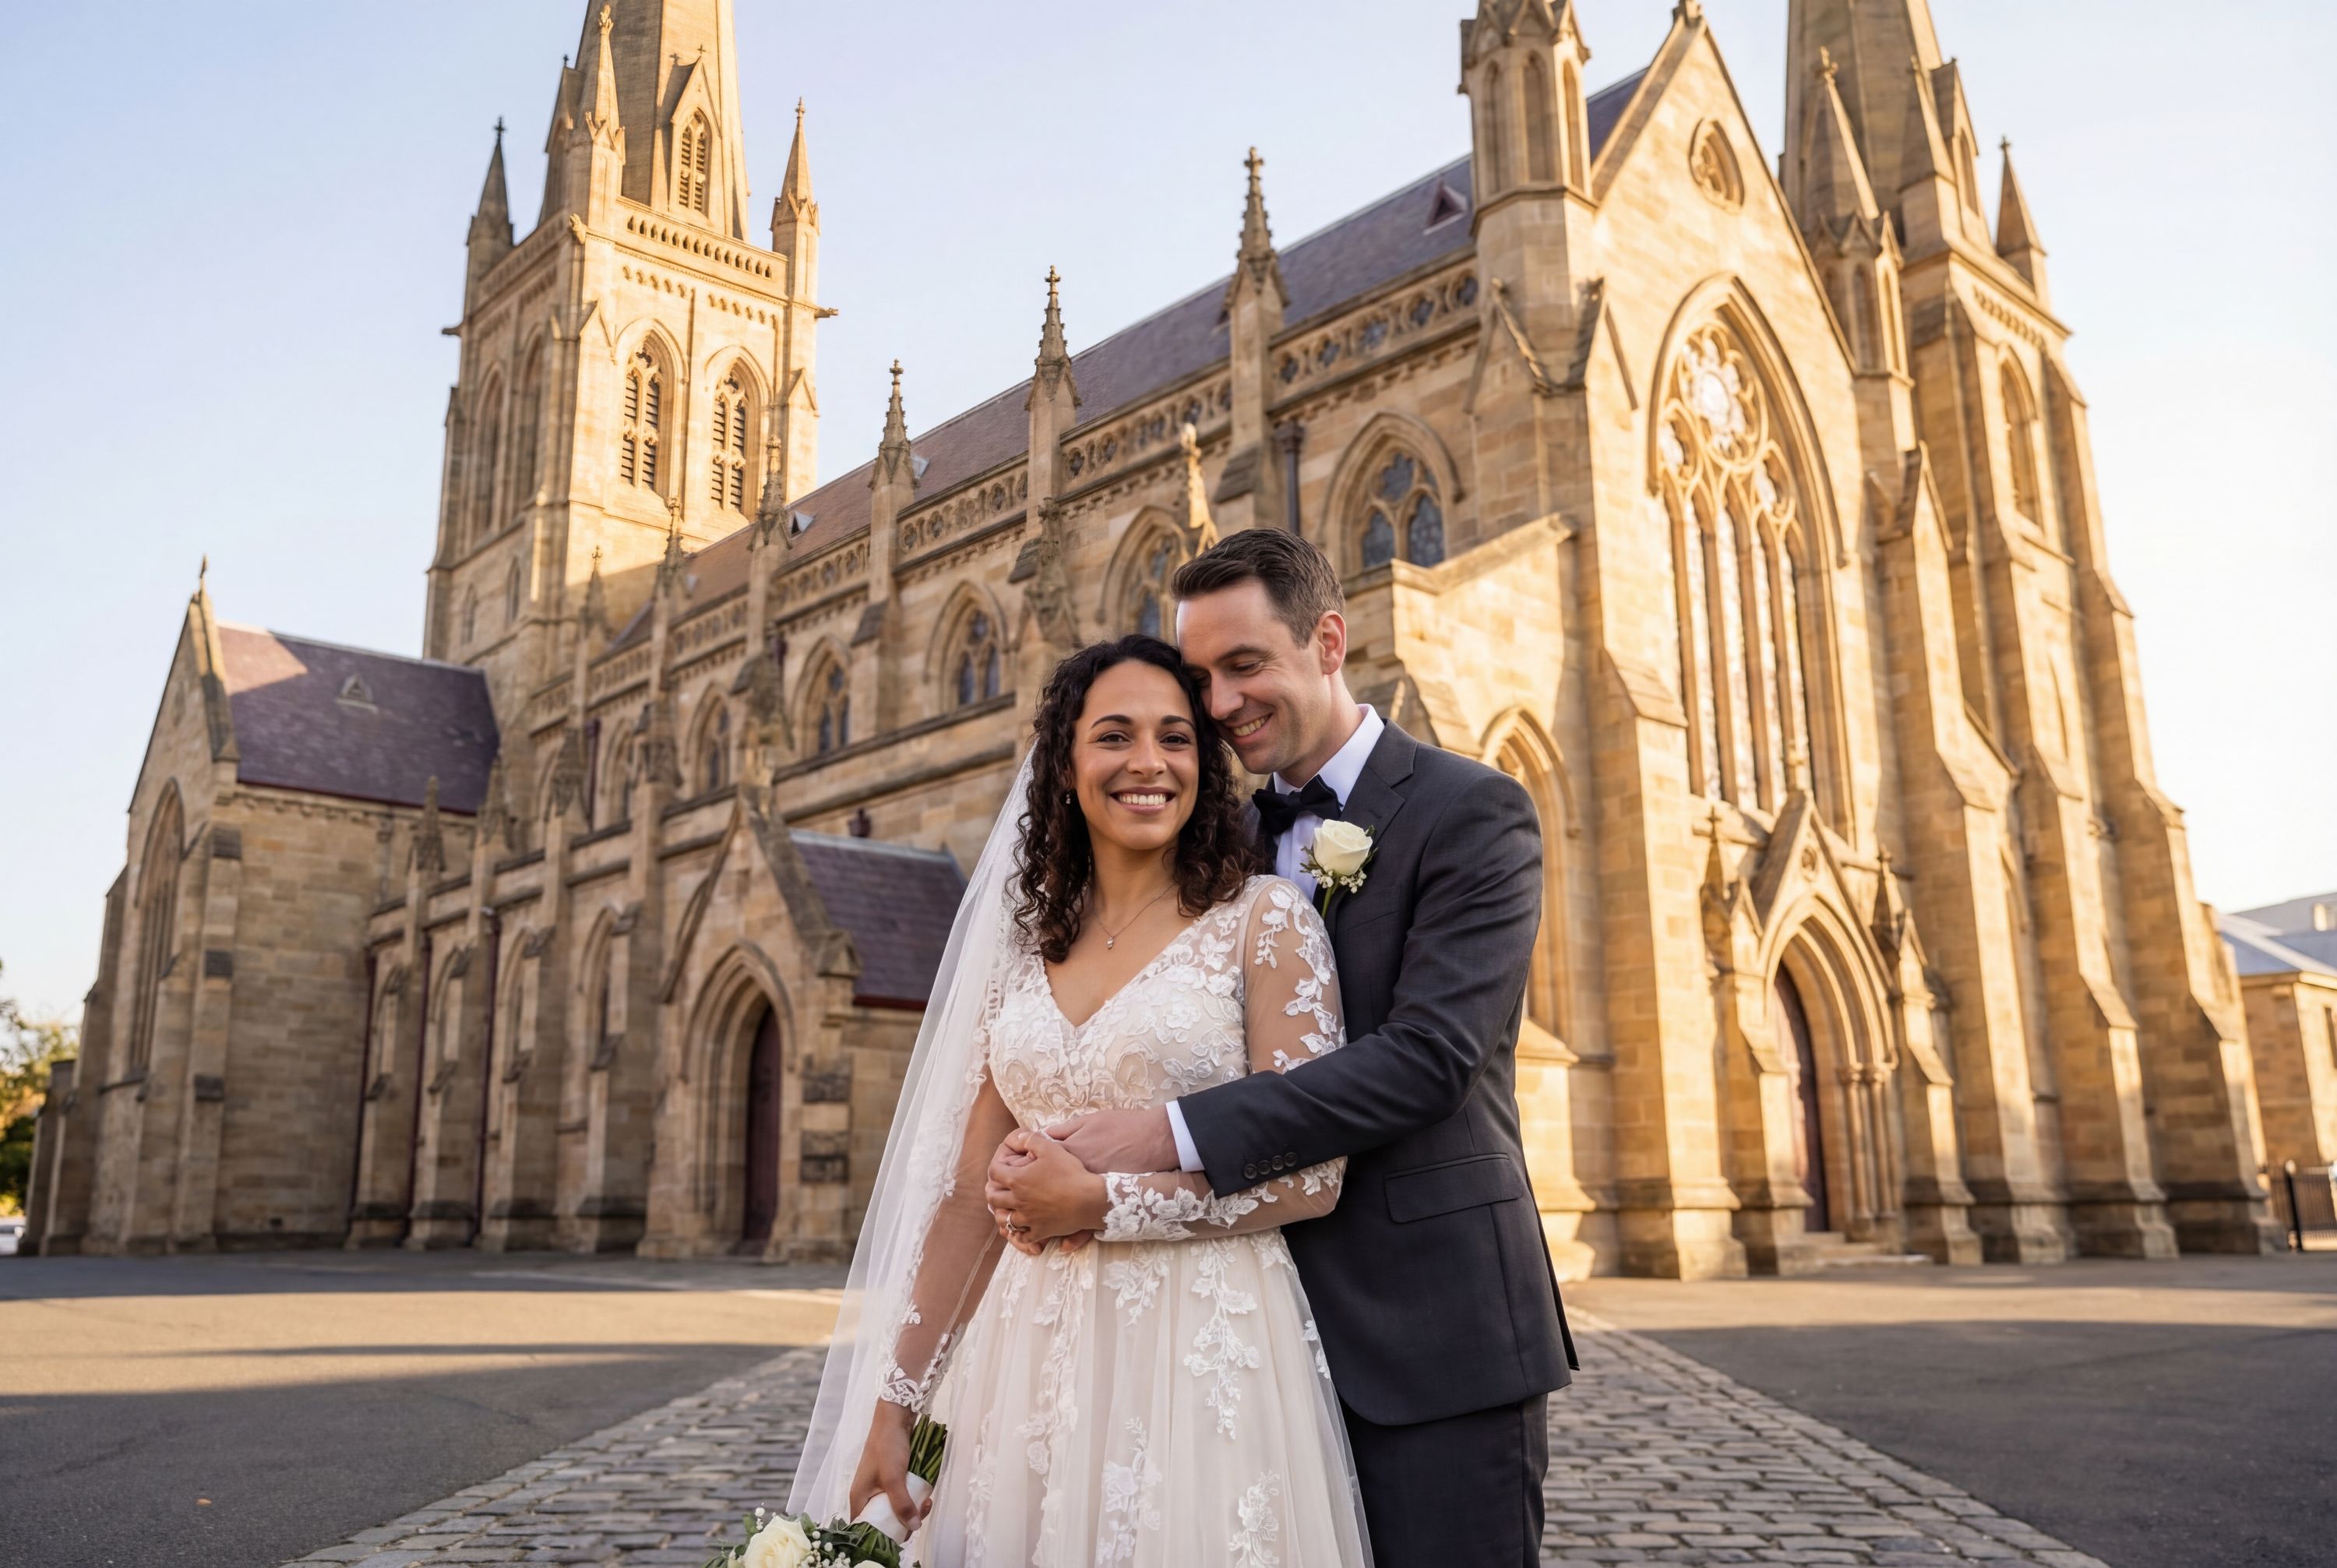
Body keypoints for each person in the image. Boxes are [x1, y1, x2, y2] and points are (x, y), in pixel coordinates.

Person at [992, 529, 1577, 1566]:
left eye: (1244, 664)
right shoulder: (1214, 842)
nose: (1218, 704)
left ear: (1329, 640)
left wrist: (1163, 1131)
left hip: (1429, 1330)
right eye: (1201, 675)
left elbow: (1431, 1056)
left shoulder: (1473, 811)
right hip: (1235, 1349)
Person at [791, 633, 1373, 1566]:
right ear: (1064, 766)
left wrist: (1102, 1206)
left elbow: (1313, 1177)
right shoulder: (1019, 950)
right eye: (1115, 736)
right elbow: (963, 1199)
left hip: (1200, 1344)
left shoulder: (1265, 921)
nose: (1148, 763)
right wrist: (894, 1404)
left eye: (1176, 739)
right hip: (1023, 1360)